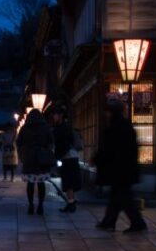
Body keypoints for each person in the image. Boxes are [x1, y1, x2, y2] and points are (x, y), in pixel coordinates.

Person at [94, 99, 148, 233]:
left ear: (111, 112)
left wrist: (97, 159)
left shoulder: (114, 127)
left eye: (107, 112)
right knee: (118, 196)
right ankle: (109, 222)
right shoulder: (126, 126)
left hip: (119, 169)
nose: (105, 114)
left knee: (123, 197)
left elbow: (108, 149)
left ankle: (136, 223)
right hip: (125, 168)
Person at [16, 109, 54, 215]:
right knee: (41, 183)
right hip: (42, 157)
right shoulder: (45, 127)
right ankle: (40, 205)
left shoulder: (24, 128)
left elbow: (19, 142)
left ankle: (31, 205)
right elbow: (51, 142)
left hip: (29, 157)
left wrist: (23, 152)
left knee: (30, 183)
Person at [52, 106, 82, 213]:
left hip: (68, 157)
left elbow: (62, 144)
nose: (53, 117)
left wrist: (56, 155)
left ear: (60, 116)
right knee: (69, 182)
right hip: (70, 156)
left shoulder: (62, 128)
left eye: (55, 114)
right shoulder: (64, 127)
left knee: (68, 182)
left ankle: (71, 204)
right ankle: (70, 202)